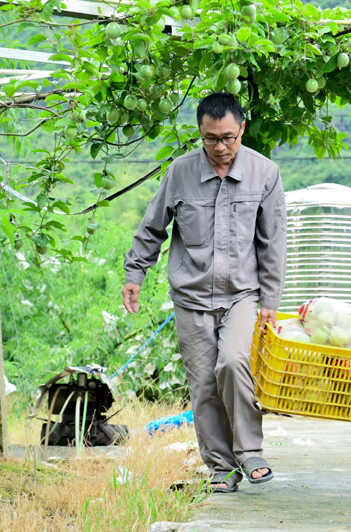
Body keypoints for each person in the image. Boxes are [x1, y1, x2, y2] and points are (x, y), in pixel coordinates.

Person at [122, 93, 287, 493]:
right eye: (211, 139)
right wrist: (135, 274)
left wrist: (271, 302)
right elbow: (152, 228)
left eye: (228, 137)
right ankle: (221, 470)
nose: (221, 147)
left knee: (232, 363)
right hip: (191, 297)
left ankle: (249, 451)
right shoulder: (180, 173)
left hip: (241, 295)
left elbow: (273, 243)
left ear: (242, 129)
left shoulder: (265, 174)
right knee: (204, 386)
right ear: (200, 132)